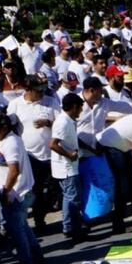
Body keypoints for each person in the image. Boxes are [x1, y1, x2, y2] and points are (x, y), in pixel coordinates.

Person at [0, 110, 42, 264]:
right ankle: (37, 255)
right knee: (23, 226)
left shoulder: (10, 143)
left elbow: (14, 170)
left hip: (16, 193)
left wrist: (6, 191)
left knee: (17, 230)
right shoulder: (9, 140)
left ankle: (26, 262)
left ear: (4, 127)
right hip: (21, 191)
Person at [6, 75, 59, 236]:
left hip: (50, 154)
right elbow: (10, 127)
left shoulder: (50, 102)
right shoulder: (15, 105)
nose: (42, 93)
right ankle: (38, 220)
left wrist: (48, 123)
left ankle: (42, 213)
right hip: (29, 156)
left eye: (43, 89)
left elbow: (62, 122)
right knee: (35, 191)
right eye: (38, 90)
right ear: (27, 89)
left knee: (52, 189)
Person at [50, 92, 85, 244]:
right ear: (74, 107)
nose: (81, 111)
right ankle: (75, 230)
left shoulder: (69, 121)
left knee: (68, 198)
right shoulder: (63, 122)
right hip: (66, 167)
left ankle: (69, 227)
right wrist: (69, 155)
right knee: (73, 199)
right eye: (80, 108)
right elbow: (53, 144)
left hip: (69, 166)